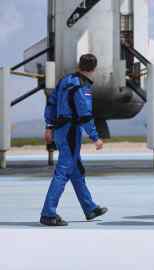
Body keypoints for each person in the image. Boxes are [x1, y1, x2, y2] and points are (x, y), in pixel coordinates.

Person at [41, 53, 107, 226]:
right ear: (94, 69)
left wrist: (49, 126)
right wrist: (95, 138)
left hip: (61, 129)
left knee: (76, 170)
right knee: (63, 172)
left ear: (79, 65)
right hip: (70, 131)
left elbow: (51, 103)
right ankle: (48, 213)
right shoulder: (81, 87)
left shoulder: (65, 80)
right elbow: (85, 115)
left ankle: (89, 207)